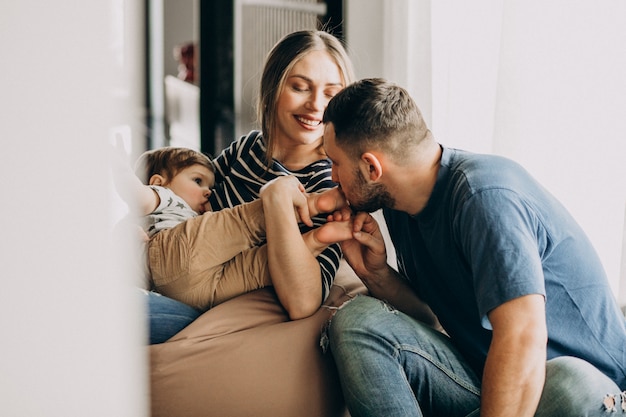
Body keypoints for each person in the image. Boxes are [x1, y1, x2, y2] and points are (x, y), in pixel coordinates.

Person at [320, 78, 626, 416]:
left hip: (589, 394)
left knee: (571, 381)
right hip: (492, 388)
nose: (333, 177)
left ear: (371, 167)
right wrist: (374, 273)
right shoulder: (400, 206)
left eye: (335, 163)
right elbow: (431, 319)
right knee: (357, 321)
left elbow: (522, 338)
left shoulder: (484, 197)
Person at [146, 29, 356, 343]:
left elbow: (303, 300)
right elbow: (187, 199)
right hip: (172, 267)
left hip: (210, 312)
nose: (316, 105)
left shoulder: (329, 185)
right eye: (300, 87)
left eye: (331, 94)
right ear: (273, 89)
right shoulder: (249, 148)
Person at [114, 146, 353, 312]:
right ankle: (309, 204)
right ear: (158, 182)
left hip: (193, 293)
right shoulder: (163, 197)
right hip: (169, 256)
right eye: (197, 181)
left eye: (209, 185)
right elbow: (138, 197)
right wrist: (123, 172)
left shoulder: (197, 213)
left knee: (258, 268)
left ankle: (311, 242)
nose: (209, 191)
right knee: (239, 223)